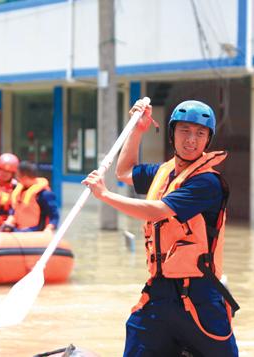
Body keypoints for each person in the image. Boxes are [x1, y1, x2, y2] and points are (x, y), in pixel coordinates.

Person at [82, 99, 239, 356]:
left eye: (200, 133)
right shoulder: (165, 173)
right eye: (185, 131)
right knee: (136, 334)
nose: (192, 139)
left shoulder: (207, 183)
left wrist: (105, 196)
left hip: (199, 297)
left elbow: (158, 211)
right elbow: (124, 171)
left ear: (208, 140)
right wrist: (138, 129)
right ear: (172, 133)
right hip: (159, 290)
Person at [1, 161, 59, 233]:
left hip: (34, 231)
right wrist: (10, 220)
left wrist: (49, 228)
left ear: (24, 177)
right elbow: (14, 210)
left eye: (18, 176)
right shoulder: (19, 191)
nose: (17, 179)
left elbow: (54, 216)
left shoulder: (44, 194)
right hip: (18, 229)